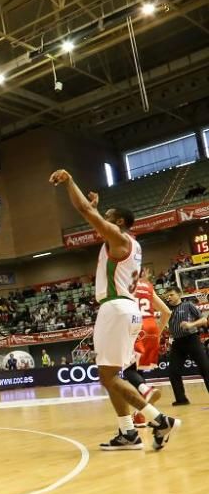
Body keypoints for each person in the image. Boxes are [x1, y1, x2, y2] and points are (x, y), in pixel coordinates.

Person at [51, 169, 179, 451]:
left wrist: (70, 180)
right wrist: (96, 211)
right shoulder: (130, 245)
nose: (102, 219)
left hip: (116, 309)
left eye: (107, 216)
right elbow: (94, 216)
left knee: (109, 377)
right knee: (110, 377)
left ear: (119, 222)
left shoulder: (119, 238)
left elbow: (84, 210)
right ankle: (128, 433)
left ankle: (158, 420)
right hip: (127, 310)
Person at [121, 269, 172, 426]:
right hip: (150, 327)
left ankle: (146, 390)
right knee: (138, 371)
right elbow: (166, 312)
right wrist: (157, 333)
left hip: (135, 326)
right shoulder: (148, 286)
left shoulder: (123, 285)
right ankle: (141, 415)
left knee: (128, 370)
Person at [163, 286, 209, 406]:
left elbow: (204, 320)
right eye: (167, 296)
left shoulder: (188, 305)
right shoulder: (166, 309)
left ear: (179, 294)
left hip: (192, 339)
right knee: (173, 371)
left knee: (205, 368)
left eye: (171, 294)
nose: (169, 297)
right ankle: (181, 399)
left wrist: (191, 324)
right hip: (177, 343)